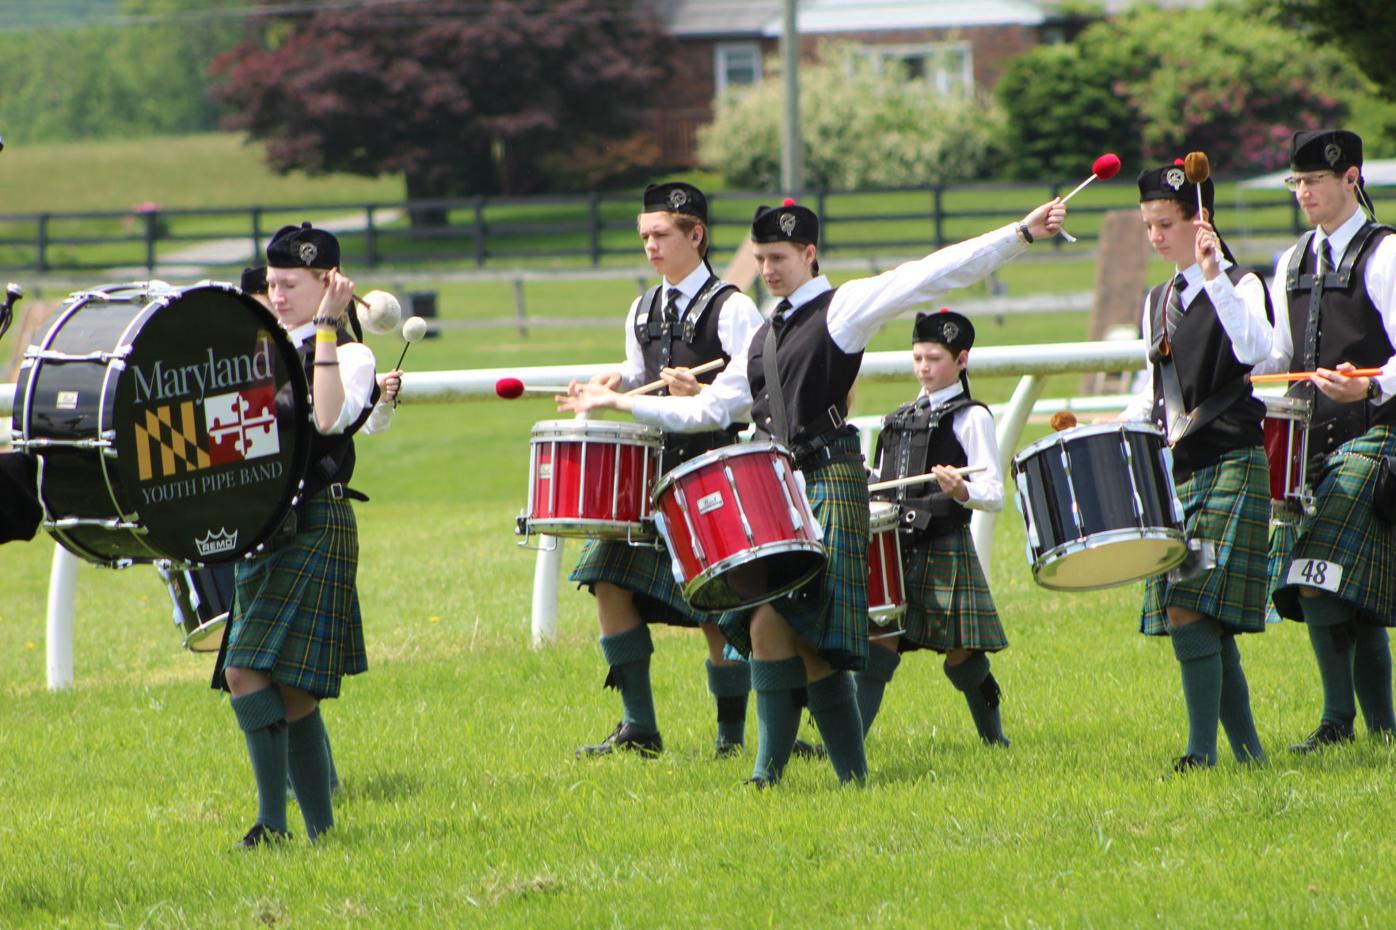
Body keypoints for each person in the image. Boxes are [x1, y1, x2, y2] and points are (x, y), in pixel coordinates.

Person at [562, 195, 1066, 785]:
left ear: (809, 254)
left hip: (831, 478)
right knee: (793, 638)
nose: (769, 270)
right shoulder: (762, 335)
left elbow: (928, 275)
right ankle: (830, 778)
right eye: (760, 259)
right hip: (782, 489)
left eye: (779, 257)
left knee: (785, 627)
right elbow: (714, 408)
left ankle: (772, 776)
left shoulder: (841, 308)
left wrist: (1020, 234)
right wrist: (622, 400)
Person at [569, 182, 766, 759]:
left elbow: (753, 393)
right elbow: (638, 376)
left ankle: (730, 740)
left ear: (695, 236)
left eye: (660, 235)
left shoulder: (734, 308)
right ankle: (639, 729)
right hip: (650, 475)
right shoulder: (641, 309)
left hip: (712, 472)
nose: (650, 246)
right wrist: (614, 383)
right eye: (644, 236)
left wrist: (702, 389)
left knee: (715, 607)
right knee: (607, 580)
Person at [216, 224, 381, 846]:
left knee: (270, 677)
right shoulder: (259, 350)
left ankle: (287, 825)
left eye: (291, 285)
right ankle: (295, 827)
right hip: (265, 526)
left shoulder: (353, 354)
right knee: (256, 675)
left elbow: (328, 416)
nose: (277, 295)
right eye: (274, 284)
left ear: (329, 284)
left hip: (318, 520)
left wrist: (330, 330)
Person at [1119, 161, 1273, 772]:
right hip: (1181, 474)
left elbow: (1255, 351)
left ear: (1197, 221)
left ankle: (1199, 754)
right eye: (1148, 227)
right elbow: (1154, 389)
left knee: (1188, 604)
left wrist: (1213, 278)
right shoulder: (1155, 300)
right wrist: (1113, 426)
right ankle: (1252, 756)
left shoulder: (1242, 283)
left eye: (1165, 225)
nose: (1155, 237)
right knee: (1207, 617)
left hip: (1234, 462)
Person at [1263, 129, 1396, 751]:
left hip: (1380, 435)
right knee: (1349, 588)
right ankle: (1383, 729)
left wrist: (1368, 390)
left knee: (1316, 573)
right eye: (1298, 182)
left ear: (1352, 179)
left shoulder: (1386, 254)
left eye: (1316, 181)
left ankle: (1338, 721)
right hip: (1311, 447)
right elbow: (1280, 359)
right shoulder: (1290, 262)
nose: (1305, 193)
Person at [858, 309, 1009, 747]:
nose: (924, 367)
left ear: (962, 360)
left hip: (944, 546)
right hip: (897, 550)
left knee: (962, 657)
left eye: (934, 358)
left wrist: (962, 491)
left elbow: (994, 492)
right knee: (879, 644)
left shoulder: (971, 417)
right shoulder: (898, 418)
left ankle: (995, 740)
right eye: (918, 357)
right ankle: (847, 746)